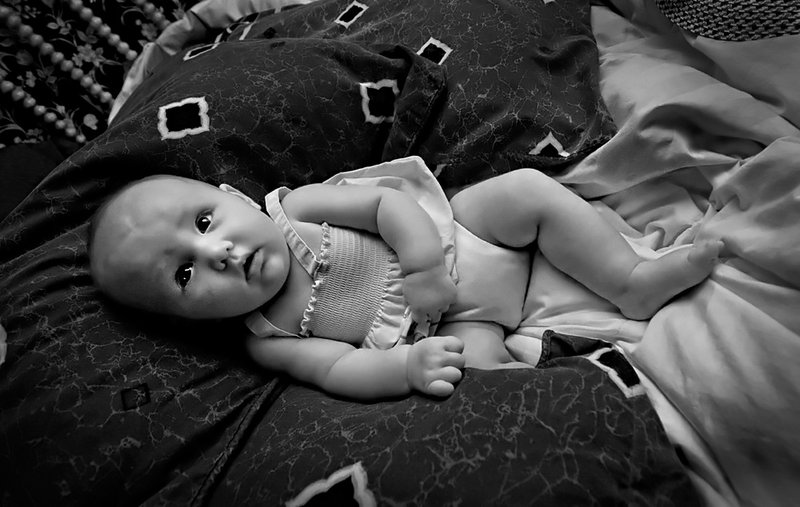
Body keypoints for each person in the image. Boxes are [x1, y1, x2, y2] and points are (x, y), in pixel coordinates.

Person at [88, 156, 722, 400]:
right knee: (486, 389)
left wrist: (421, 266)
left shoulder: (296, 210)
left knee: (524, 192)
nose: (219, 252)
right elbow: (338, 369)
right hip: (456, 326)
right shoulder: (267, 339)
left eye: (204, 221)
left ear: (233, 196)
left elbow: (384, 205)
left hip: (465, 242)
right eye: (185, 272)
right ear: (187, 320)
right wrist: (408, 368)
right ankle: (575, 394)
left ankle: (630, 281)